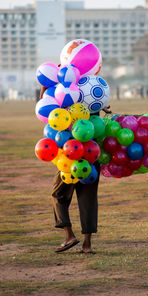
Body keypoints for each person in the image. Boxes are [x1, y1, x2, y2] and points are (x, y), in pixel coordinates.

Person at [40, 86, 111, 254]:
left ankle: (69, 236)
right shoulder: (91, 97)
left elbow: (44, 107)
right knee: (88, 199)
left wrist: (44, 87)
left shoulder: (63, 97)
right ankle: (87, 245)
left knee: (58, 195)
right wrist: (103, 107)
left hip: (69, 155)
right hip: (91, 154)